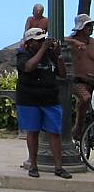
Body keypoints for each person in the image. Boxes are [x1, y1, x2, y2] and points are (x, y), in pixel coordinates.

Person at [16, 28, 71, 179]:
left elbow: (62, 74)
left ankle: (58, 167)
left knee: (55, 132)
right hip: (29, 98)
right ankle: (33, 165)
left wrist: (58, 54)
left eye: (43, 40)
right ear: (29, 43)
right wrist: (43, 50)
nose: (42, 43)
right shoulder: (22, 54)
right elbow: (28, 67)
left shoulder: (50, 55)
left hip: (49, 98)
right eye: (39, 41)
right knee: (32, 132)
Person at [64, 13, 94, 141]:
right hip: (78, 81)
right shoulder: (71, 41)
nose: (91, 28)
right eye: (88, 26)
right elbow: (56, 38)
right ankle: (78, 125)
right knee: (85, 98)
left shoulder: (93, 42)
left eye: (91, 26)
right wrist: (74, 42)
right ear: (81, 28)